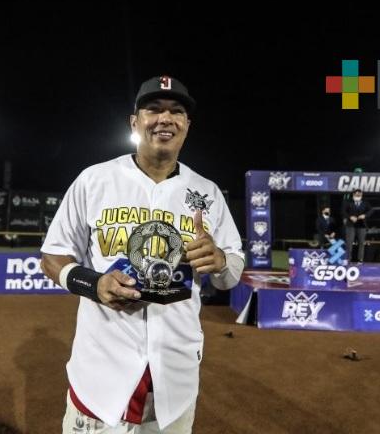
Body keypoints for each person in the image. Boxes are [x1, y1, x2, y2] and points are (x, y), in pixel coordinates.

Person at [40, 75, 245, 434]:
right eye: (154, 109)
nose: (165, 118)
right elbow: (52, 257)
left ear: (187, 125)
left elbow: (233, 269)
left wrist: (221, 260)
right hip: (101, 374)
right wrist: (93, 284)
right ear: (134, 122)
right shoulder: (95, 180)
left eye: (176, 111)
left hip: (175, 375)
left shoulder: (207, 192)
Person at [342, 189, 373, 263]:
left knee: (361, 243)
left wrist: (365, 215)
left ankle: (360, 259)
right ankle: (348, 259)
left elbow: (371, 210)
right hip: (350, 225)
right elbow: (343, 211)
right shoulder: (348, 202)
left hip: (361, 225)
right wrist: (350, 217)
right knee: (349, 242)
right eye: (357, 195)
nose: (358, 196)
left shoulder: (365, 202)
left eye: (360, 195)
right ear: (353, 195)